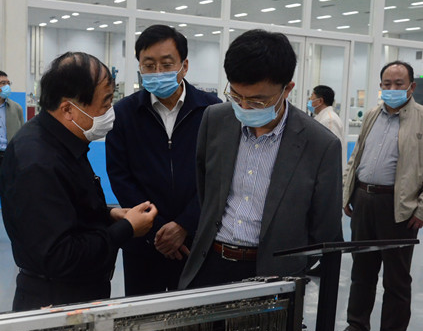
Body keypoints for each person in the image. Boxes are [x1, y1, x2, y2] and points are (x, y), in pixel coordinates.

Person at [178, 29, 343, 290]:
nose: (243, 107)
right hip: (211, 262)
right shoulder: (215, 119)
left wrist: (293, 268)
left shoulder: (320, 144)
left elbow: (324, 229)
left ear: (287, 89)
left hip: (273, 273)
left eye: (258, 101)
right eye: (236, 96)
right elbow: (204, 188)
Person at [0, 52, 157, 311]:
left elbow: (68, 209)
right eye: (105, 103)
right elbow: (60, 255)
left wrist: (109, 215)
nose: (110, 112)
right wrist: (126, 229)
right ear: (68, 109)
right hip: (56, 304)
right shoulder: (38, 162)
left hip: (77, 293)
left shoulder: (62, 142)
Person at [106, 24, 221, 295]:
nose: (158, 72)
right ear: (139, 67)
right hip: (143, 242)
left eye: (167, 64)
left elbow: (218, 176)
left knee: (194, 313)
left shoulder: (212, 110)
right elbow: (120, 176)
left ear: (184, 65)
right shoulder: (123, 113)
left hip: (197, 242)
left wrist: (184, 225)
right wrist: (157, 231)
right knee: (144, 316)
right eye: (149, 65)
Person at [333, 61, 423, 331]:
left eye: (399, 84)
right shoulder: (372, 114)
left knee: (396, 279)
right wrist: (348, 191)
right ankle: (357, 326)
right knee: (362, 271)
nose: (392, 89)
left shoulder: (421, 119)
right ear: (381, 86)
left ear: (411, 87)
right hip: (364, 200)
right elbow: (356, 156)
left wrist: (421, 209)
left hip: (398, 208)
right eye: (387, 84)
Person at [0, 71, 24, 169]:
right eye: (3, 83)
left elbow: (23, 134)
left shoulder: (16, 108)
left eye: (8, 83)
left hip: (10, 156)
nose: (7, 86)